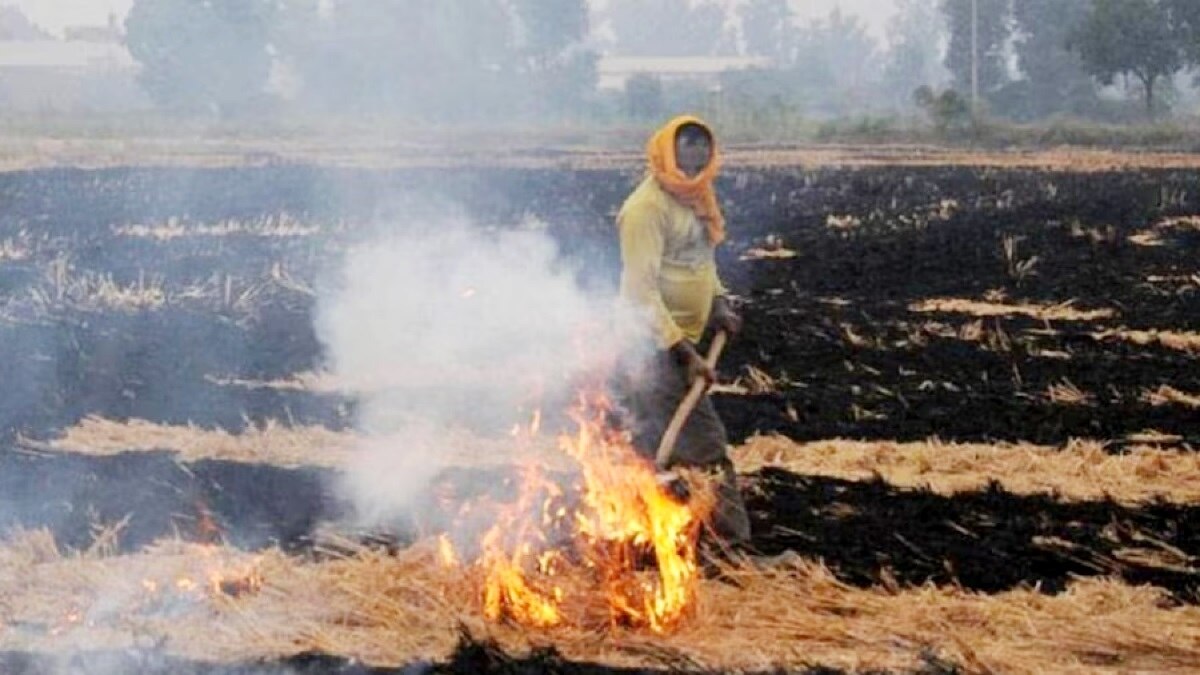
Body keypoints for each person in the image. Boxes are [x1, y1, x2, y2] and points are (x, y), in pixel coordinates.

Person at [615, 115, 751, 547]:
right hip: (651, 347)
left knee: (654, 446)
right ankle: (732, 551)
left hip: (683, 342)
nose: (693, 165)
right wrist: (683, 353)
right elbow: (640, 292)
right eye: (685, 154)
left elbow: (700, 263)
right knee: (707, 448)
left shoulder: (696, 200)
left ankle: (651, 542)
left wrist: (719, 302)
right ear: (665, 155)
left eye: (701, 155)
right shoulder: (645, 210)